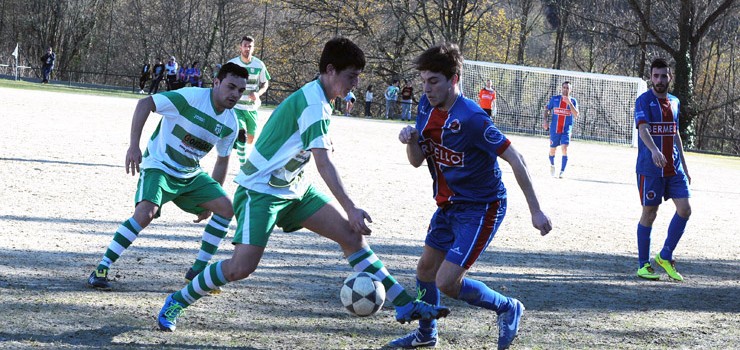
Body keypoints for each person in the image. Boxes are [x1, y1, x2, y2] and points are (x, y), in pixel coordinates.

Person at [156, 37, 450, 333]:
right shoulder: (312, 103)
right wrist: (351, 207)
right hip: (261, 192)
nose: (356, 83)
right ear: (331, 70)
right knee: (239, 268)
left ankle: (404, 303)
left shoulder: (321, 99)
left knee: (351, 237)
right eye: (352, 76)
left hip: (293, 189)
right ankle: (177, 300)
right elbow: (324, 163)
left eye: (359, 76)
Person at [390, 43, 552, 350]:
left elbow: (516, 159)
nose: (427, 88)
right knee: (425, 269)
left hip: (482, 207)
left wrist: (536, 211)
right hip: (449, 204)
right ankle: (426, 335)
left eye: (434, 81)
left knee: (446, 281)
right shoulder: (425, 108)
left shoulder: (473, 118)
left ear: (453, 79)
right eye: (424, 81)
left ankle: (507, 307)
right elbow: (416, 160)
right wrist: (410, 139)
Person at [86, 62, 249, 291]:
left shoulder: (231, 124)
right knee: (145, 214)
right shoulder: (190, 97)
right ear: (216, 82)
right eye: (231, 86)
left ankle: (197, 272)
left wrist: (209, 202)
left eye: (240, 91)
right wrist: (134, 146)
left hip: (190, 175)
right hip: (159, 166)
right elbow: (145, 104)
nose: (235, 94)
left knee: (226, 209)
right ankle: (102, 267)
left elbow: (222, 160)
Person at [633, 58, 692, 282]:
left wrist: (685, 166)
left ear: (670, 77)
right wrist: (655, 151)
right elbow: (643, 130)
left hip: (674, 168)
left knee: (685, 209)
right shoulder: (643, 101)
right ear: (651, 77)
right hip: (650, 169)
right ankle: (643, 265)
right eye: (656, 76)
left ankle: (665, 255)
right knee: (650, 213)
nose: (659, 80)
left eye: (663, 76)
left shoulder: (675, 102)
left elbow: (675, 134)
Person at [227, 35, 271, 165]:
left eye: (250, 46)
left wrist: (258, 93)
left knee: (250, 139)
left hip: (251, 108)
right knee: (242, 133)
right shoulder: (233, 64)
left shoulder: (259, 64)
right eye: (245, 45)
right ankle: (243, 165)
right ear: (240, 47)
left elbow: (265, 83)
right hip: (236, 107)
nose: (247, 48)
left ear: (253, 48)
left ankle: (238, 144)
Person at [542, 81, 579, 178]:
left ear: (571, 90)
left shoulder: (573, 101)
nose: (565, 89)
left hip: (566, 129)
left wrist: (569, 103)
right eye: (564, 87)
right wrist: (545, 120)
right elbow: (547, 109)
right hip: (555, 129)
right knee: (552, 150)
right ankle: (552, 165)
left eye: (568, 88)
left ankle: (562, 171)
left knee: (564, 148)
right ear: (561, 88)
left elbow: (576, 115)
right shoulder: (555, 99)